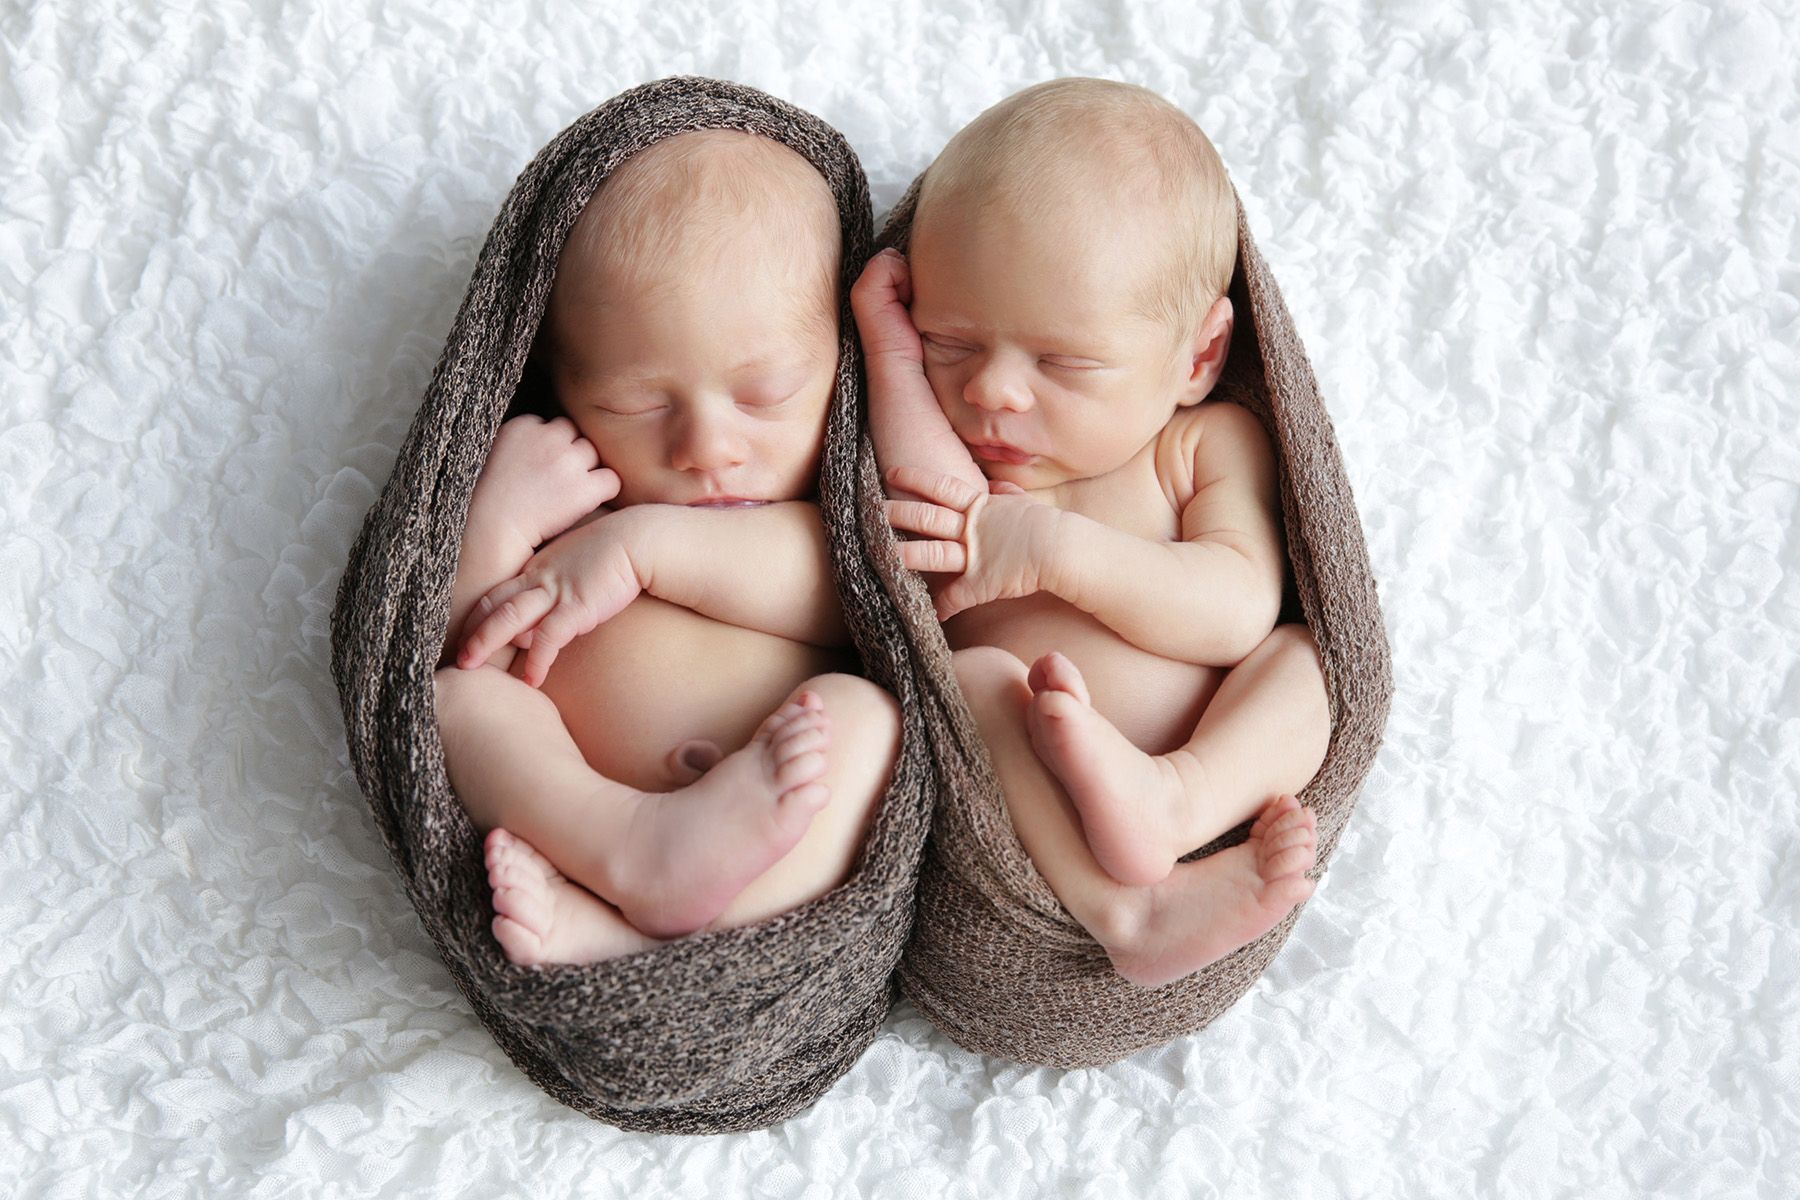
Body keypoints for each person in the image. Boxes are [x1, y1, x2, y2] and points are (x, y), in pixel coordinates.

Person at [850, 79, 1331, 989]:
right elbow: (917, 492)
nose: (992, 392)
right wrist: (891, 346)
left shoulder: (1198, 445)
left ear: (1197, 359)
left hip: (1200, 770)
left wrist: (1055, 552)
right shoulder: (975, 466)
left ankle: (1173, 805)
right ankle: (1131, 914)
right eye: (951, 343)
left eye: (1063, 362)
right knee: (980, 680)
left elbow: (1236, 609)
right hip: (1031, 797)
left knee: (1305, 662)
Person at [433, 129, 899, 966]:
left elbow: (863, 601)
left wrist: (644, 546)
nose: (706, 446)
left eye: (765, 396)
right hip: (581, 812)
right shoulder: (566, 505)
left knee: (868, 720)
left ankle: (627, 930)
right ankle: (630, 846)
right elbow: (471, 648)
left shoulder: (819, 526)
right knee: (456, 706)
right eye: (636, 403)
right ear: (556, 381)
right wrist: (497, 523)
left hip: (779, 803)